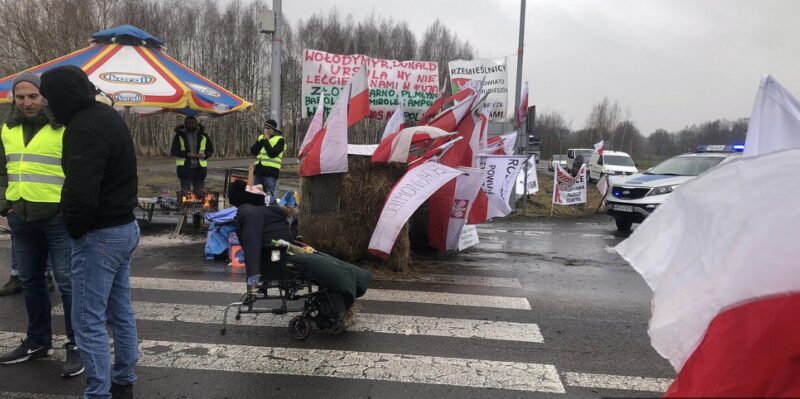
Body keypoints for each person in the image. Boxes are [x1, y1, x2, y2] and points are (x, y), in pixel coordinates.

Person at [41, 65, 139, 399]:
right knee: (120, 310)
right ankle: (124, 378)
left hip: (100, 233)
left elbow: (80, 191)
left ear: (63, 97)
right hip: (125, 226)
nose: (45, 104)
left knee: (87, 321)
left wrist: (74, 228)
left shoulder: (83, 127)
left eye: (48, 97)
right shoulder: (107, 116)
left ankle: (99, 392)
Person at [0, 72, 83, 377]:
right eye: (20, 97)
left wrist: (67, 209)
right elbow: (2, 170)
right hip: (21, 218)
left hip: (57, 219)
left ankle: (77, 346)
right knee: (30, 281)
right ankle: (37, 341)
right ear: (14, 99)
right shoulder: (7, 129)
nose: (27, 102)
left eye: (33, 96)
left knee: (68, 282)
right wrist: (5, 205)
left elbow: (77, 171)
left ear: (44, 97)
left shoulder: (62, 127)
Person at [170, 115, 213, 192]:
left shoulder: (203, 136)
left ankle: (198, 204)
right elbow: (174, 151)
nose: (190, 125)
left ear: (196, 124)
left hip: (200, 170)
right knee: (185, 194)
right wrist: (186, 154)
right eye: (188, 123)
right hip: (185, 169)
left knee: (199, 193)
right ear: (185, 124)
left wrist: (205, 155)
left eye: (192, 123)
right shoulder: (179, 136)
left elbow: (210, 149)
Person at [250, 119, 286, 204]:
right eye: (265, 128)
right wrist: (263, 140)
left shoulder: (280, 140)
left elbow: (272, 153)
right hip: (259, 172)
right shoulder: (261, 137)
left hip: (270, 173)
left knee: (269, 197)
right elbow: (253, 151)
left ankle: (270, 213)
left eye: (268, 128)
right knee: (256, 196)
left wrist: (266, 140)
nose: (266, 130)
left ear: (274, 130)